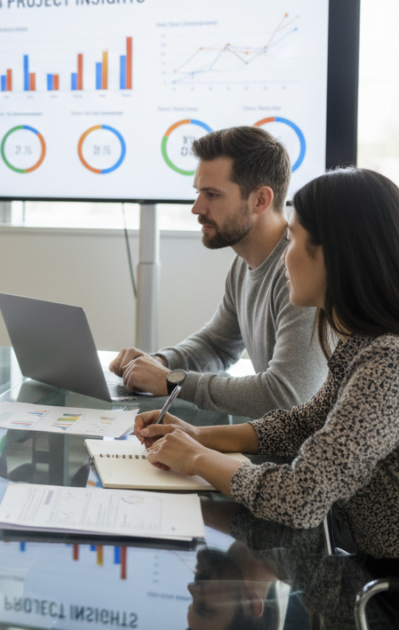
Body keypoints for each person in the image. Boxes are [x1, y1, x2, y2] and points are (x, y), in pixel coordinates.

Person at [136, 167, 399, 559]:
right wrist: (198, 435)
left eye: (293, 239)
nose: (283, 257)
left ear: (334, 256)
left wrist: (195, 458)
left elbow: (300, 498)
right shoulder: (362, 344)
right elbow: (301, 423)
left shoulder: (388, 363)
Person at [109, 126, 327, 417]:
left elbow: (287, 394)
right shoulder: (243, 262)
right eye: (199, 192)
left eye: (212, 194)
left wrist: (173, 381)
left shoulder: (302, 272)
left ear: (261, 200)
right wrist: (160, 363)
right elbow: (217, 346)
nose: (197, 208)